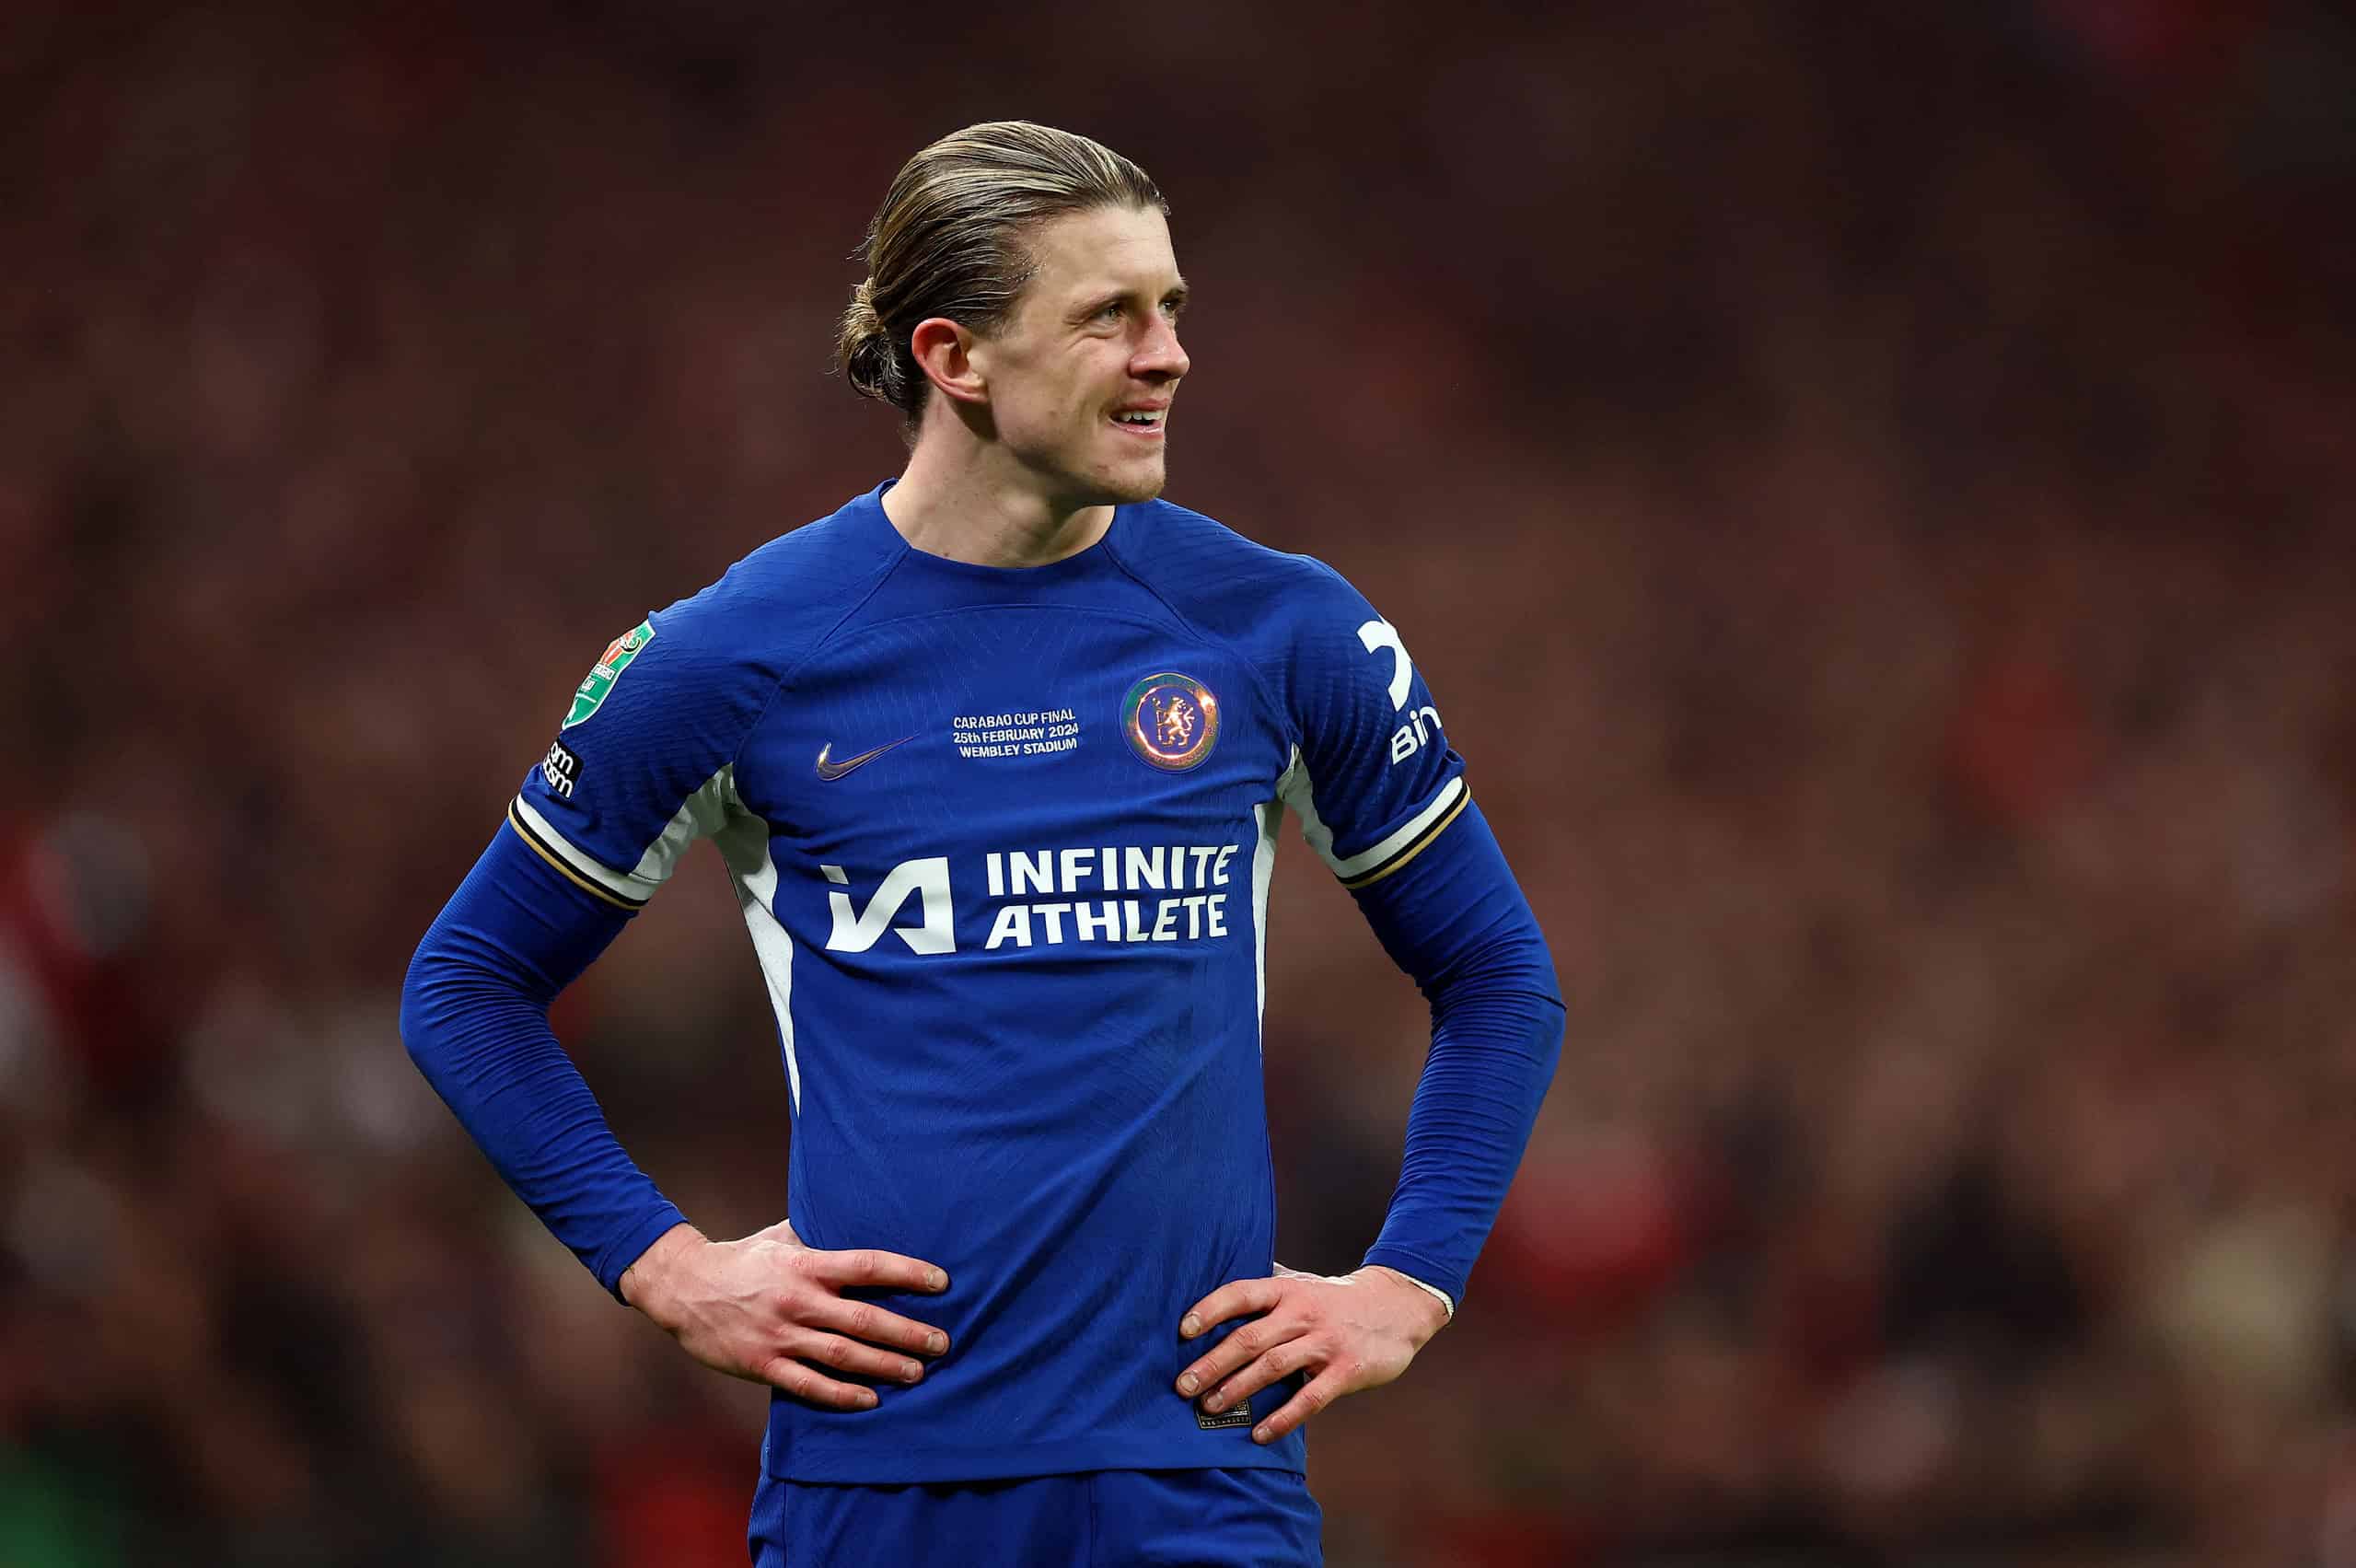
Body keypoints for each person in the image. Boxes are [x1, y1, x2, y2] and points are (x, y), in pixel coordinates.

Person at [401, 121, 1563, 1566]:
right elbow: (466, 985)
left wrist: (1410, 1282)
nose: (1168, 356)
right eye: (1109, 316)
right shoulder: (736, 655)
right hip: (880, 1482)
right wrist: (666, 1268)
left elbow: (1498, 975)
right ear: (954, 356)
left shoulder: (1282, 629)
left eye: (1171, 308)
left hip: (1197, 1473)